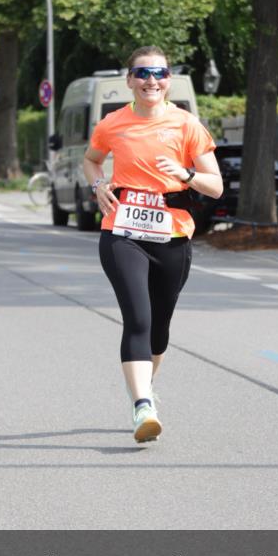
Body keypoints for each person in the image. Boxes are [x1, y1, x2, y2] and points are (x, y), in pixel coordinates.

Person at [83, 45, 223, 444]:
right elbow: (91, 159)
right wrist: (98, 186)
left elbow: (214, 187)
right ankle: (143, 403)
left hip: (172, 235)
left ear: (169, 80)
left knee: (159, 329)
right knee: (138, 319)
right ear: (129, 80)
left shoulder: (186, 125)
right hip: (122, 232)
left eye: (159, 73)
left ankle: (143, 389)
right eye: (142, 73)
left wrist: (185, 173)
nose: (151, 81)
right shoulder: (113, 123)